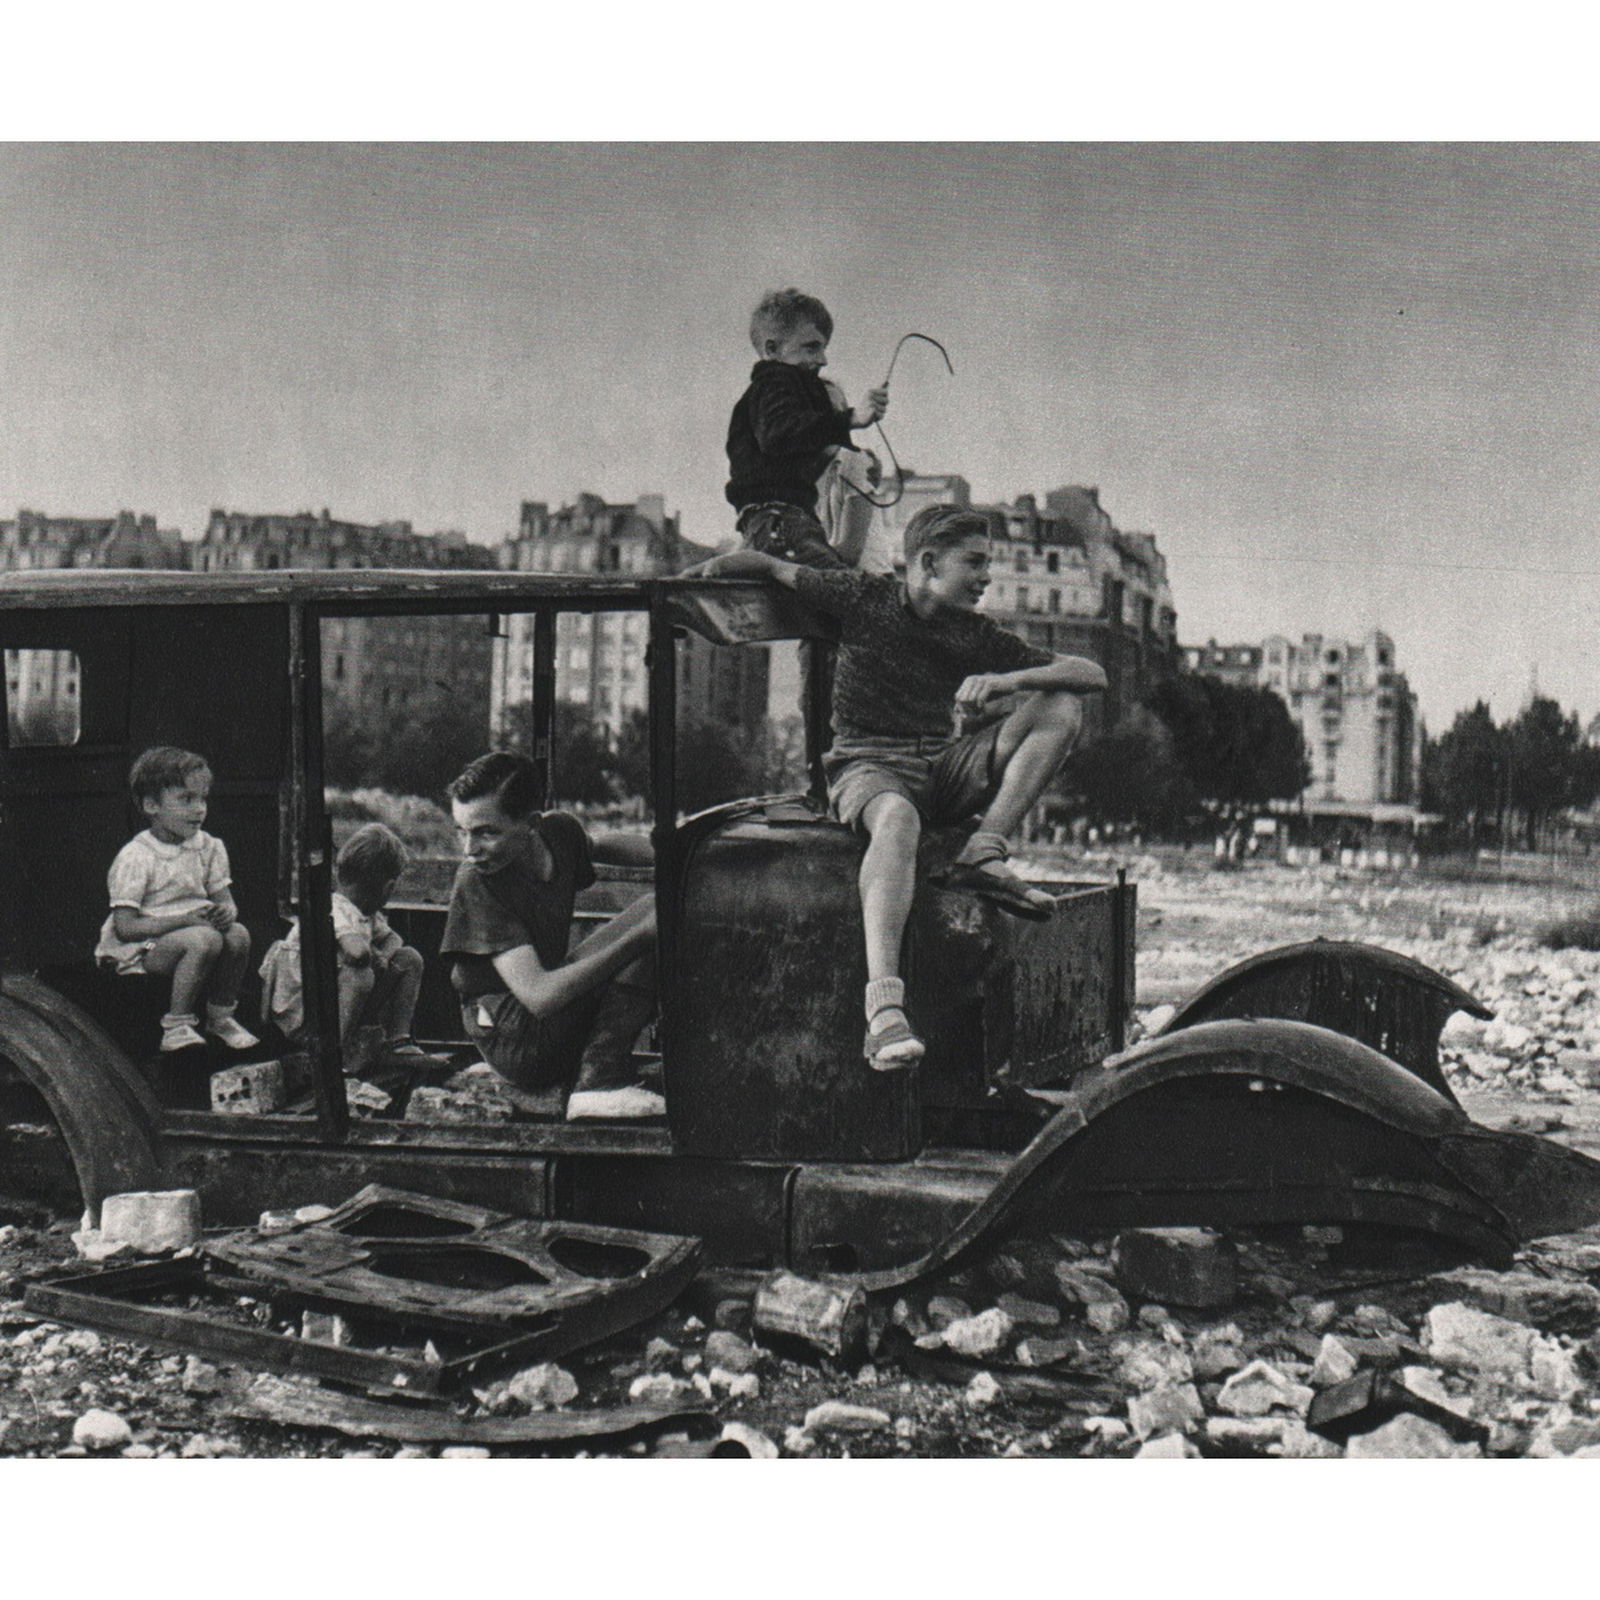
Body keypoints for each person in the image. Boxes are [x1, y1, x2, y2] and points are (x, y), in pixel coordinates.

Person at [694, 504, 1107, 1072]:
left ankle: (984, 851)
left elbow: (1092, 675)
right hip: (868, 767)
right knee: (899, 819)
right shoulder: (865, 597)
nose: (987, 577)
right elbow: (774, 566)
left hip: (941, 766)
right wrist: (716, 567)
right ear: (929, 564)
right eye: (976, 563)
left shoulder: (972, 631)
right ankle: (884, 1013)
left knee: (1059, 705)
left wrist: (1008, 680)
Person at [440, 751, 664, 1121]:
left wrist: (679, 854)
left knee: (661, 905)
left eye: (485, 832)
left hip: (547, 1018)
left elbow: (596, 846)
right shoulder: (478, 881)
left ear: (529, 823)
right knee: (647, 930)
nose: (469, 850)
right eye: (461, 831)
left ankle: (599, 1071)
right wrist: (639, 938)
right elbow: (541, 995)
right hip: (514, 1038)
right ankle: (597, 1082)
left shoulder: (558, 833)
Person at [94, 745, 258, 1054]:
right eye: (186, 799)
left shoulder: (207, 847)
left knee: (238, 936)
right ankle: (177, 1025)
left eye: (202, 798)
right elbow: (125, 928)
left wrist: (226, 913)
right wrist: (183, 921)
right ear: (152, 805)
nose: (199, 809)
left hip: (194, 932)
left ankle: (220, 1017)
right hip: (144, 950)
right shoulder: (138, 856)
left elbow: (227, 901)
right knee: (203, 940)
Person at [258, 822, 447, 1075]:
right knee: (361, 974)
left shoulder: (366, 914)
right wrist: (375, 957)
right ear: (388, 888)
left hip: (334, 1002)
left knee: (409, 958)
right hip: (306, 1012)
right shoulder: (334, 908)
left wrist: (384, 955)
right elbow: (356, 953)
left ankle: (397, 1041)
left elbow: (394, 941)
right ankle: (333, 1052)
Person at [724, 286, 889, 571]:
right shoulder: (774, 383)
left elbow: (789, 451)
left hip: (785, 520)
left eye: (824, 348)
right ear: (772, 349)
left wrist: (851, 457)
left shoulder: (778, 388)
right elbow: (779, 434)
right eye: (812, 346)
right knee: (838, 585)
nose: (823, 359)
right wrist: (849, 419)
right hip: (781, 521)